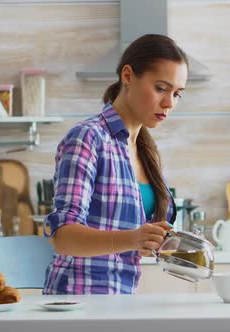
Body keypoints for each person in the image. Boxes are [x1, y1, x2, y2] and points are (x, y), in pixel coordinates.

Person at [43, 34, 188, 294]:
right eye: (161, 88)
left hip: (121, 299)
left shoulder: (145, 150)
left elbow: (141, 236)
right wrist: (134, 238)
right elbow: (63, 236)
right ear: (128, 76)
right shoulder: (88, 138)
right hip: (79, 299)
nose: (169, 103)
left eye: (177, 93)